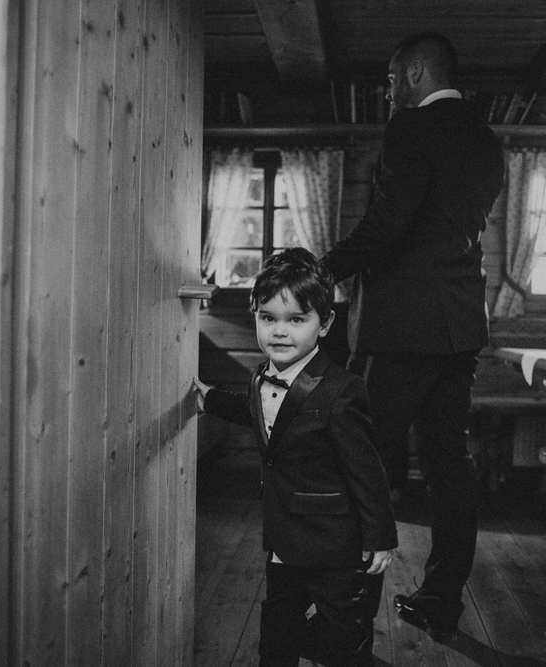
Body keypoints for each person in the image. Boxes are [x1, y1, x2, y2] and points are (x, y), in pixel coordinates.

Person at [320, 31, 505, 644]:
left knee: (362, 461)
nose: (389, 88)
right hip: (460, 326)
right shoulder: (485, 138)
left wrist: (323, 268)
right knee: (450, 466)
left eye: (393, 76)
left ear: (419, 72)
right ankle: (440, 604)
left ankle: (348, 623)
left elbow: (389, 225)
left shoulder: (411, 128)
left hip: (404, 327)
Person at [192, 248, 398, 667]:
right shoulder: (260, 376)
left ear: (325, 323)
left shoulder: (342, 391)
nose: (280, 332)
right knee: (277, 635)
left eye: (296, 320)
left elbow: (366, 470)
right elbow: (257, 412)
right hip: (284, 540)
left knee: (344, 642)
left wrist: (380, 536)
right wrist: (209, 398)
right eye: (268, 318)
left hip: (337, 548)